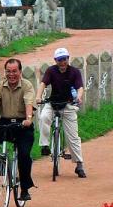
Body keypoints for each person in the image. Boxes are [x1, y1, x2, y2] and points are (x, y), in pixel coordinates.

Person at [0, 58, 36, 201]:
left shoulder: (27, 85)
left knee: (24, 155)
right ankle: (1, 168)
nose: (11, 75)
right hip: (4, 122)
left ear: (20, 72)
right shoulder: (0, 86)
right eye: (8, 71)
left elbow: (29, 102)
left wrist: (28, 119)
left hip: (22, 125)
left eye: (14, 71)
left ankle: (24, 189)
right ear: (5, 72)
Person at [36, 48, 86, 178]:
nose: (62, 62)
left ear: (68, 59)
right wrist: (38, 96)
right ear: (55, 61)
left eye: (64, 59)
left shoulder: (74, 72)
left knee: (73, 136)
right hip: (52, 103)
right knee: (43, 117)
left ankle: (79, 164)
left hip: (68, 104)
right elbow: (43, 84)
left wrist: (79, 97)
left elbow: (80, 87)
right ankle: (45, 145)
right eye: (59, 60)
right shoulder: (51, 70)